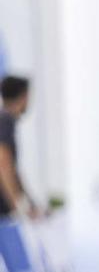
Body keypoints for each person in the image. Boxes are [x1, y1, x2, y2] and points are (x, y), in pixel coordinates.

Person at [0, 76, 43, 222]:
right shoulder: (5, 120)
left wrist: (30, 203)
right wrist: (18, 208)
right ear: (23, 96)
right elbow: (4, 162)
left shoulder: (5, 120)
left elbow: (13, 170)